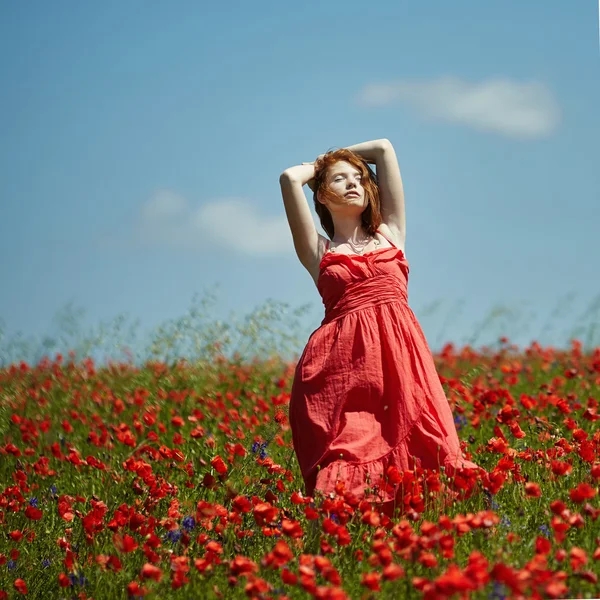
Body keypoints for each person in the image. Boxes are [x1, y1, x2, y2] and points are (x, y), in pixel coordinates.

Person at [279, 139, 481, 515]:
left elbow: (384, 150)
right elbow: (291, 178)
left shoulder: (391, 233)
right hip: (339, 371)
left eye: (359, 177)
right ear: (321, 195)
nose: (354, 183)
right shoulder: (319, 252)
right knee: (348, 452)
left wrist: (340, 160)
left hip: (402, 362)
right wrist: (322, 165)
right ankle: (347, 545)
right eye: (340, 180)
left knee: (423, 445)